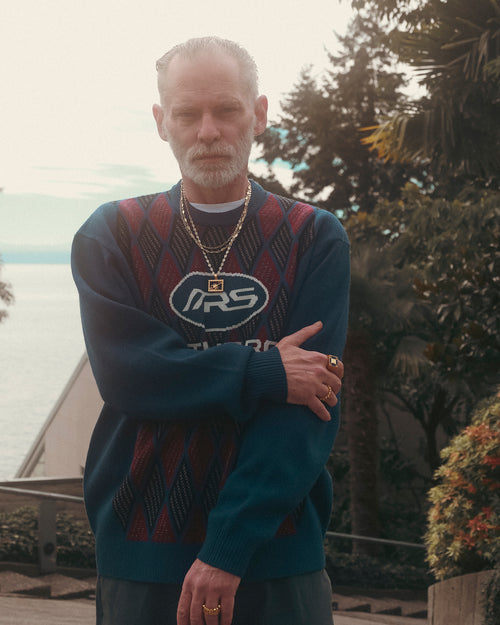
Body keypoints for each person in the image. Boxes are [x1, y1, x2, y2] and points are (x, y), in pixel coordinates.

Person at [71, 36, 350, 625]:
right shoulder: (111, 234)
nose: (208, 131)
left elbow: (309, 411)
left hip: (278, 551)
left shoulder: (313, 237)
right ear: (160, 121)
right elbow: (129, 376)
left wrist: (228, 548)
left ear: (260, 114)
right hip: (142, 549)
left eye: (226, 110)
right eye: (186, 113)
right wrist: (265, 371)